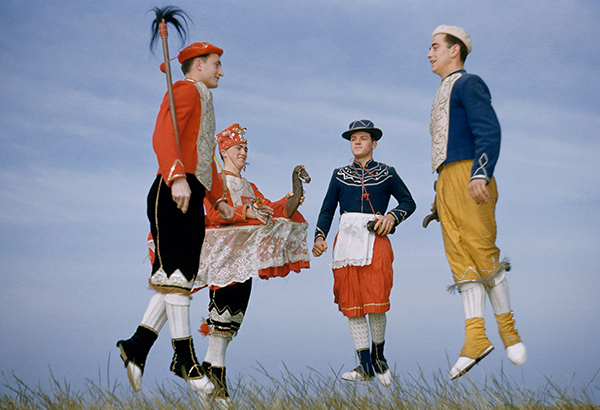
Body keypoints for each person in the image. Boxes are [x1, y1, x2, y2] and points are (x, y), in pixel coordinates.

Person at [116, 42, 234, 394]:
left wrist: (219, 199)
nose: (221, 71)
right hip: (173, 191)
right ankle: (184, 358)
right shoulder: (183, 90)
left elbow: (203, 153)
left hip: (191, 191)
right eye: (216, 64)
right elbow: (164, 134)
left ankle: (136, 347)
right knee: (178, 278)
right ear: (198, 65)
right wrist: (176, 175)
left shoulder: (202, 96)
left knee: (177, 278)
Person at [426, 25, 527, 380]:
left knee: (482, 252)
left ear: (455, 50)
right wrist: (440, 197)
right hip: (447, 180)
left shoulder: (469, 83)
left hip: (470, 172)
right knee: (460, 258)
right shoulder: (441, 91)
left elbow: (489, 129)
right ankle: (475, 338)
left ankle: (508, 331)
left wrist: (480, 172)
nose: (429, 53)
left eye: (435, 46)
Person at [192, 123, 310, 404]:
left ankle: (210, 384)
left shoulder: (249, 186)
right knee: (221, 321)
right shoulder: (215, 183)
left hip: (245, 262)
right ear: (224, 151)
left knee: (230, 324)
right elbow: (211, 215)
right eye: (238, 148)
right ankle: (217, 388)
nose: (243, 152)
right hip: (224, 260)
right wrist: (244, 212)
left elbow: (270, 209)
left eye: (245, 148)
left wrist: (290, 198)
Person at [312, 120, 415, 387]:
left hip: (375, 238)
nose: (357, 142)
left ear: (374, 143)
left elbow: (408, 202)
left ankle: (380, 357)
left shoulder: (388, 173)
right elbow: (327, 210)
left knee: (376, 297)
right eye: (353, 139)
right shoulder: (338, 175)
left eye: (363, 138)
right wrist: (320, 236)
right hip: (345, 241)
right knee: (352, 303)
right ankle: (365, 364)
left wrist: (393, 217)